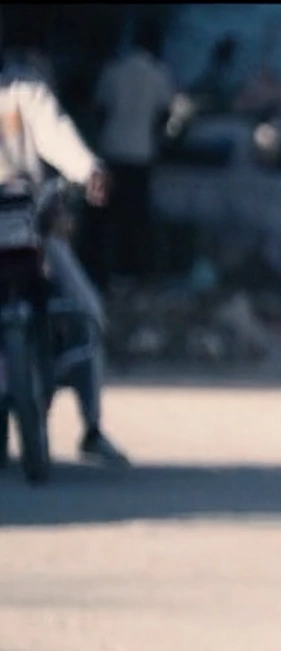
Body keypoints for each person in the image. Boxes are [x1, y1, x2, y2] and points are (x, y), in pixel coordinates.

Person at [0, 21, 130, 469]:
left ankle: (91, 427)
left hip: (28, 227)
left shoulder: (24, 91)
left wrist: (88, 170)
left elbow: (56, 133)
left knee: (87, 311)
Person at [90, 19, 175, 286]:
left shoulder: (114, 70)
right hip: (141, 155)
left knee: (104, 218)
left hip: (111, 151)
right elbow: (164, 115)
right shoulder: (160, 74)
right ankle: (130, 273)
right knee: (134, 220)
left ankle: (100, 272)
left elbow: (100, 110)